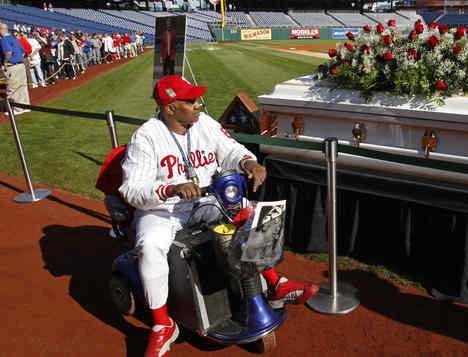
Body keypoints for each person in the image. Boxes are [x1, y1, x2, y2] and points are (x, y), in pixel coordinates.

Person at [119, 76, 319, 357]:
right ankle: (163, 324)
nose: (198, 104)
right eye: (190, 101)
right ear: (170, 108)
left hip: (206, 199)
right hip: (163, 210)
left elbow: (230, 149)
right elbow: (132, 190)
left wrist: (248, 162)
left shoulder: (205, 123)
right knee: (150, 246)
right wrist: (170, 188)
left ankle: (275, 284)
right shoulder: (146, 137)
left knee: (257, 214)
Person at [0, 23, 31, 115]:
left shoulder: (4, 40)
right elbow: (23, 52)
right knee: (22, 86)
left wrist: (5, 62)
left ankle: (17, 109)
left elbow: (8, 52)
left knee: (13, 87)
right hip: (21, 65)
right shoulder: (14, 39)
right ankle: (25, 106)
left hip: (12, 66)